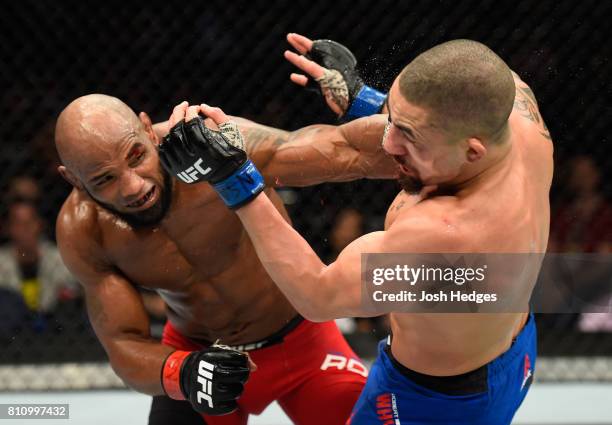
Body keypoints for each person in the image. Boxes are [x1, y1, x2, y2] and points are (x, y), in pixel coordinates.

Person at [160, 34, 553, 424]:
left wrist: (235, 180)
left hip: (435, 403)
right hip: (510, 350)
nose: (387, 139)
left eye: (408, 134)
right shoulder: (519, 115)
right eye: (393, 119)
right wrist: (362, 98)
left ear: (472, 150)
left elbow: (317, 295)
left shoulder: (443, 236)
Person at [54, 93, 394, 424]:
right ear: (73, 179)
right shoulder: (84, 230)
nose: (133, 187)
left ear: (147, 129)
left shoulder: (219, 148)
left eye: (136, 156)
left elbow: (347, 150)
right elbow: (123, 343)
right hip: (200, 353)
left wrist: (379, 105)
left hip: (303, 340)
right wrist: (183, 372)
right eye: (105, 179)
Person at [0, 199, 77, 316]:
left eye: (29, 222)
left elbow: (72, 291)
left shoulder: (59, 258)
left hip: (54, 323)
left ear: (40, 224)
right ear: (8, 228)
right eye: (18, 223)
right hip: (11, 326)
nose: (25, 228)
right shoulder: (1, 261)